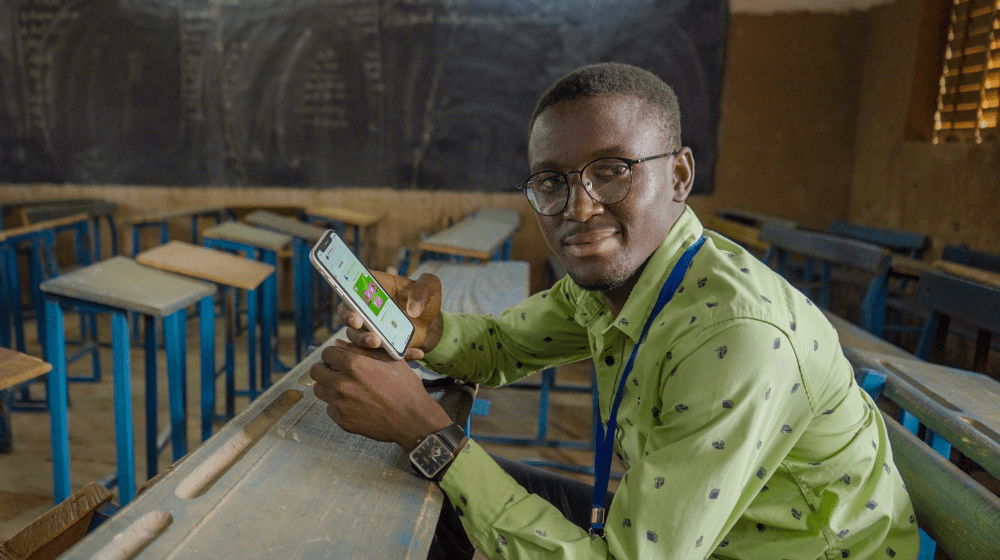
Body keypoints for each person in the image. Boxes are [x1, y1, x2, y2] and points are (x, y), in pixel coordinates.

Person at [310, 62, 920, 559]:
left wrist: (427, 433)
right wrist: (431, 330)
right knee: (440, 508)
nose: (578, 208)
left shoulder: (735, 336)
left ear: (679, 175)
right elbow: (502, 347)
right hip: (687, 537)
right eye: (551, 182)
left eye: (612, 172)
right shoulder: (621, 279)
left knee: (445, 490)